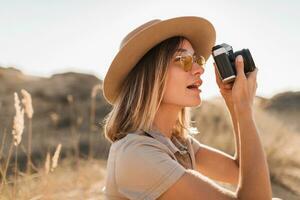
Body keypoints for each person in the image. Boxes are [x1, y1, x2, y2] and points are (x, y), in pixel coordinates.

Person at [101, 16, 278, 200]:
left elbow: (242, 171)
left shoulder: (177, 144)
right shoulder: (136, 153)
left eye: (197, 60)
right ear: (151, 76)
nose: (200, 69)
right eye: (183, 59)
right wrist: (244, 109)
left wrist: (234, 104)